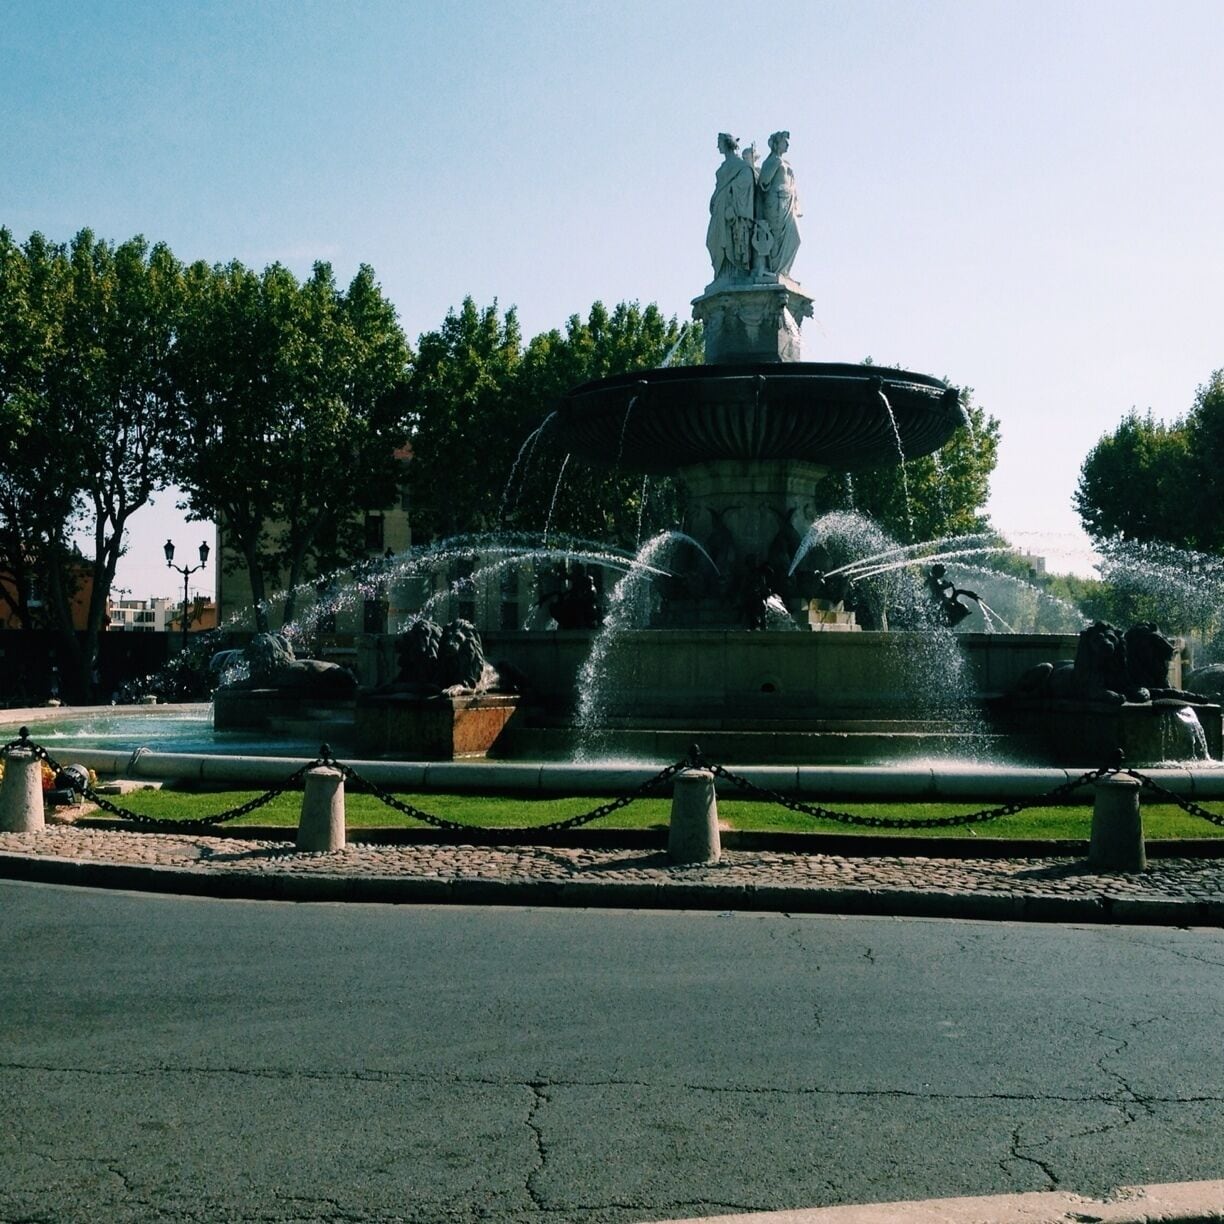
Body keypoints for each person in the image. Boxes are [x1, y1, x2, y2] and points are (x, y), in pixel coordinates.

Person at [706, 133, 755, 280]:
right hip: (718, 211)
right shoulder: (724, 167)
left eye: (719, 142)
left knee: (729, 241)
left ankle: (733, 272)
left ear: (726, 143)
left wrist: (732, 204)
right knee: (711, 240)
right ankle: (721, 274)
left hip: (731, 211)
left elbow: (746, 182)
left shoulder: (741, 165)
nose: (717, 146)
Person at [758, 130, 801, 278]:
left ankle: (783, 271)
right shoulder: (772, 161)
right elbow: (763, 182)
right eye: (784, 141)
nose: (787, 144)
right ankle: (774, 270)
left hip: (787, 203)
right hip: (776, 202)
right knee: (776, 236)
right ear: (776, 143)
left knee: (795, 238)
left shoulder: (786, 163)